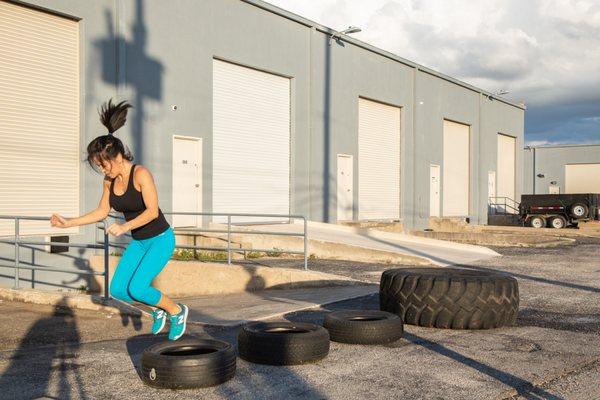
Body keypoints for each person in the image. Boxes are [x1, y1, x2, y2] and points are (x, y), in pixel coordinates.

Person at [50, 99, 188, 341]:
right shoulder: (109, 181)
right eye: (99, 167)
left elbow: (152, 212)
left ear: (116, 157)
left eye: (103, 165)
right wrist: (68, 222)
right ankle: (158, 308)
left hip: (160, 240)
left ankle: (176, 311)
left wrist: (124, 226)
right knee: (118, 289)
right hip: (139, 241)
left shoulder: (141, 174)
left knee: (137, 287)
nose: (103, 170)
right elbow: (101, 211)